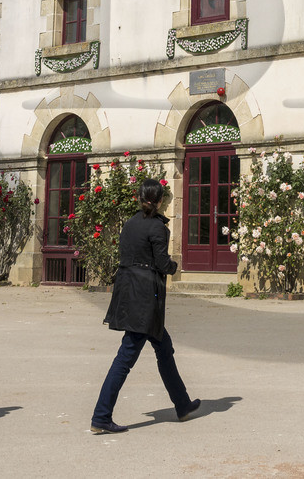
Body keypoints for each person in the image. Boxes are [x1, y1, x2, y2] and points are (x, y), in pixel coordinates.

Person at [90, 178, 201, 433]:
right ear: (160, 200)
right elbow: (162, 264)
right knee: (126, 357)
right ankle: (101, 416)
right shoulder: (157, 228)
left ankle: (182, 404)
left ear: (140, 199)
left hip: (128, 292)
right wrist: (174, 267)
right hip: (144, 299)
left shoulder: (130, 224)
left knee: (164, 347)